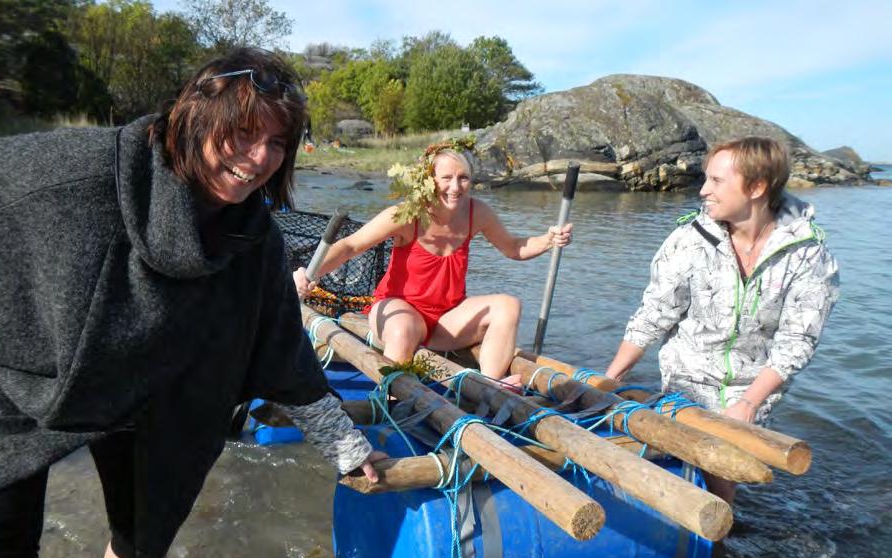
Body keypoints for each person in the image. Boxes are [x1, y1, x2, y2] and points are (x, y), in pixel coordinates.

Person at [0, 48, 384, 558]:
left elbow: (283, 348)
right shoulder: (84, 171)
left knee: (140, 540)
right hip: (4, 376)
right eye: (242, 133)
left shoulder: (252, 240)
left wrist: (345, 445)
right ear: (196, 117)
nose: (258, 158)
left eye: (276, 143)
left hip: (141, 394)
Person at [604, 136, 839, 503]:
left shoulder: (807, 255)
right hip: (687, 378)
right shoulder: (689, 240)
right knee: (709, 469)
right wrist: (611, 376)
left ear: (757, 187)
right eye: (706, 179)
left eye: (716, 181)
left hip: (755, 386)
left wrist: (748, 404)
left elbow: (798, 341)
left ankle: (715, 538)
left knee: (726, 472)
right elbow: (654, 314)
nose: (703, 191)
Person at [293, 141, 572, 385]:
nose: (455, 187)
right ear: (429, 180)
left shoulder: (478, 212)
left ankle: (489, 387)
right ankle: (391, 400)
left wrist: (547, 240)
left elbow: (514, 248)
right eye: (446, 178)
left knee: (508, 305)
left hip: (446, 319)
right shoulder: (407, 215)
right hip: (398, 313)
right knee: (403, 329)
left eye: (463, 178)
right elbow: (349, 246)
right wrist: (310, 272)